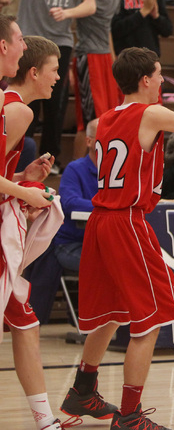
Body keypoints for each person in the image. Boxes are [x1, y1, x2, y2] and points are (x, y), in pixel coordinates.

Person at [59, 25, 174, 430]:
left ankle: (82, 389)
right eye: (158, 75)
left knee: (110, 314)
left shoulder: (105, 118)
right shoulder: (148, 113)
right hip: (126, 222)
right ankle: (130, 416)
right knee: (149, 320)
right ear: (145, 79)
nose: (162, 84)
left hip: (101, 220)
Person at [0, 24, 66, 430]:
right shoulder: (17, 109)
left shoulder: (14, 106)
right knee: (23, 320)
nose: (59, 76)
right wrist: (26, 195)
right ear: (33, 72)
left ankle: (46, 420)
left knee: (24, 321)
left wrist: (23, 176)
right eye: (54, 68)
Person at [0, 0, 96, 174]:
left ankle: (46, 157)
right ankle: (20, 157)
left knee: (54, 103)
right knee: (26, 104)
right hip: (32, 38)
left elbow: (90, 5)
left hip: (59, 41)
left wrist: (68, 12)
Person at [73, 0, 130, 146]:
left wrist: (113, 59)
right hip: (87, 55)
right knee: (90, 121)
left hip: (106, 57)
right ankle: (78, 170)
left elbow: (107, 29)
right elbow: (73, 23)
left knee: (110, 117)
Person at [52, 118, 98, 275]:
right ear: (89, 141)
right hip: (72, 244)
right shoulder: (74, 169)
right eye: (104, 136)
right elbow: (71, 203)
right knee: (107, 266)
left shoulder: (118, 172)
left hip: (106, 244)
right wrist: (107, 205)